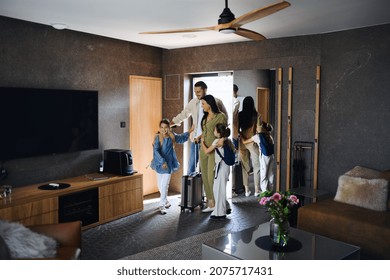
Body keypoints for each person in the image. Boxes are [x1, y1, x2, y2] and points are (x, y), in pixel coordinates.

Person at [171, 81, 228, 175]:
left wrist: (221, 136)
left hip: (210, 139)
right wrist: (172, 122)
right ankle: (190, 187)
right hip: (196, 139)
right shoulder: (193, 102)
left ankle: (204, 187)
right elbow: (184, 114)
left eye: (198, 91)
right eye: (195, 92)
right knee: (191, 165)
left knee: (206, 166)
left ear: (205, 90)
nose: (196, 94)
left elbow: (224, 118)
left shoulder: (217, 102)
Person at [150, 118, 193, 214]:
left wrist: (189, 131)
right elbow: (156, 151)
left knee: (164, 185)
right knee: (160, 186)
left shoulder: (172, 136)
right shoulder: (157, 137)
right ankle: (165, 201)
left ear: (169, 128)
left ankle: (162, 206)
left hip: (168, 164)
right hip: (159, 164)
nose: (163, 130)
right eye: (161, 127)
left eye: (166, 127)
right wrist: (162, 161)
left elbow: (181, 138)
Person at [198, 95, 227, 212]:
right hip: (203, 148)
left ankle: (215, 203)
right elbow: (205, 131)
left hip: (212, 149)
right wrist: (199, 138)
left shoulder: (220, 116)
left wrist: (220, 142)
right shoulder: (205, 117)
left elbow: (224, 133)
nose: (202, 106)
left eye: (203, 103)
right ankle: (210, 202)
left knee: (211, 176)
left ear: (210, 104)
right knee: (204, 175)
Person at [201, 123, 233, 219]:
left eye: (215, 130)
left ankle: (220, 213)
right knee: (220, 188)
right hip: (226, 167)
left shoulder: (217, 141)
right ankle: (226, 207)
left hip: (221, 167)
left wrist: (202, 142)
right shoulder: (228, 141)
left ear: (219, 133)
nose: (213, 131)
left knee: (218, 189)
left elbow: (207, 151)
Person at [238, 96, 262, 197]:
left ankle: (247, 190)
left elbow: (237, 129)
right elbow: (259, 130)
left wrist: (242, 137)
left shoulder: (240, 115)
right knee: (257, 166)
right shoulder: (256, 115)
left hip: (242, 142)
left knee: (245, 166)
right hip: (252, 142)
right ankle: (257, 189)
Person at [242, 121, 275, 192]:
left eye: (257, 126)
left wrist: (241, 135)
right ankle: (271, 191)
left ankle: (265, 194)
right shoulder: (270, 136)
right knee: (270, 174)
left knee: (263, 175)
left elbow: (245, 142)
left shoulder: (258, 136)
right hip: (272, 156)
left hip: (264, 157)